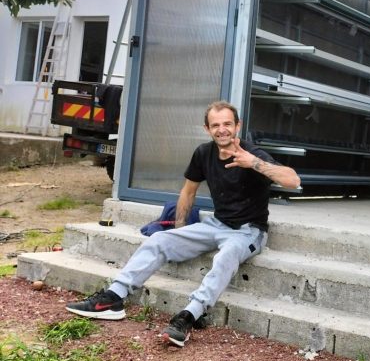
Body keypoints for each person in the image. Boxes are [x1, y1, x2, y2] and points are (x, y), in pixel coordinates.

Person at [66, 100, 301, 347]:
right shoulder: (203, 153)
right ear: (207, 129)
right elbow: (188, 192)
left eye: (227, 124)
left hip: (248, 231)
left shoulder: (253, 155)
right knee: (159, 239)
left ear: (238, 126)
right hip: (216, 224)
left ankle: (189, 316)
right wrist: (180, 232)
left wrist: (253, 163)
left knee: (227, 254)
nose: (222, 129)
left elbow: (292, 180)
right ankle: (114, 297)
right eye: (216, 125)